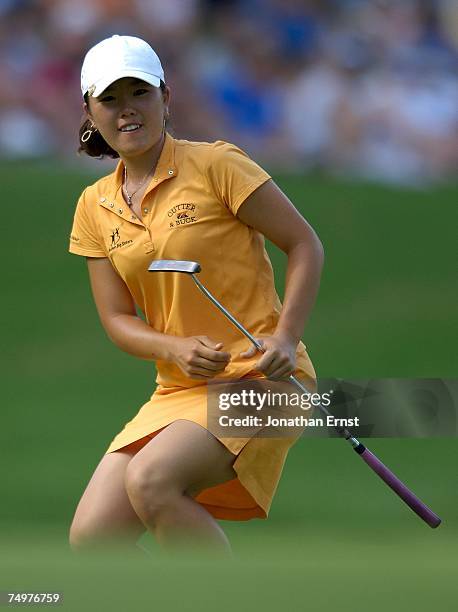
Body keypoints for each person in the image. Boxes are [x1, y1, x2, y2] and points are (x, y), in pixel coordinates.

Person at [68, 35, 324, 556]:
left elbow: (304, 245)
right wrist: (174, 349)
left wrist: (285, 336)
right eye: (110, 99)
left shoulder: (217, 165)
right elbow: (118, 320)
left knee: (152, 481)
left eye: (138, 93)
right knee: (92, 542)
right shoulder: (93, 206)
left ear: (166, 97)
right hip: (177, 390)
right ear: (90, 111)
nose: (127, 111)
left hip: (261, 380)